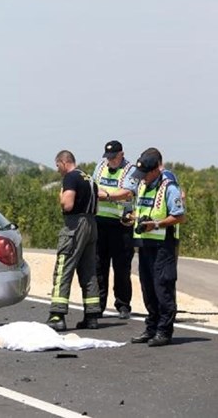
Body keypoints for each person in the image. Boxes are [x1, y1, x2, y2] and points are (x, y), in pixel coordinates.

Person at [129, 148, 186, 347]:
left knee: (163, 287)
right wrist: (131, 218)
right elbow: (142, 210)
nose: (142, 178)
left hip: (164, 244)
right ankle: (151, 327)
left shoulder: (169, 187)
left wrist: (157, 224)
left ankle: (164, 331)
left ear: (155, 170)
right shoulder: (143, 186)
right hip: (145, 243)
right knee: (148, 288)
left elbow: (179, 215)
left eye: (145, 173)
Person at [47, 150, 102, 331]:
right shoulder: (89, 178)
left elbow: (68, 204)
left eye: (57, 166)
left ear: (64, 162)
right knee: (89, 271)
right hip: (92, 224)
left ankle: (57, 315)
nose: (58, 170)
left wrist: (61, 198)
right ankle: (92, 316)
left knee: (64, 268)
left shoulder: (70, 177)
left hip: (75, 225)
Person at [92, 140, 138, 319]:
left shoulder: (131, 170)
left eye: (114, 157)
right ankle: (99, 305)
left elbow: (128, 192)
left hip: (121, 225)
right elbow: (94, 187)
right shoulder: (101, 166)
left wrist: (107, 195)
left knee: (121, 267)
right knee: (99, 266)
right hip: (100, 223)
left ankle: (123, 304)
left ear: (122, 154)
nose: (110, 161)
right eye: (108, 157)